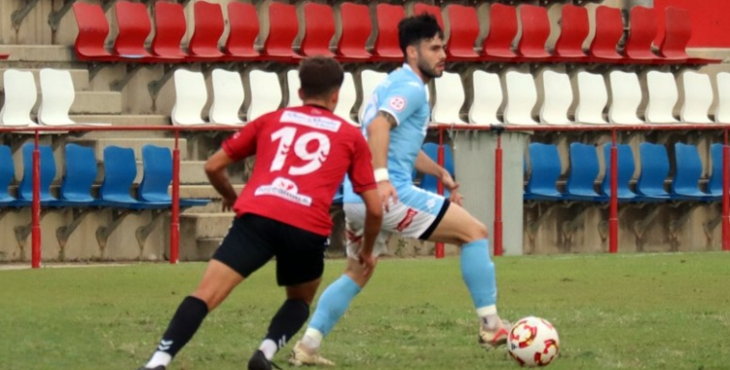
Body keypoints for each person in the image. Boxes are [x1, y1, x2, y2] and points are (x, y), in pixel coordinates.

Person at [289, 14, 511, 367]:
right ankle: (491, 326)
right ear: (411, 51)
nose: (443, 55)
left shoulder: (389, 85)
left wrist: (439, 172)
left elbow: (399, 143)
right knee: (476, 234)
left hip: (356, 198)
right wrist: (382, 177)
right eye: (434, 48)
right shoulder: (411, 88)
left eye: (443, 47)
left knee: (357, 271)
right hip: (389, 194)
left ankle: (307, 347)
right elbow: (379, 127)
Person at [136, 56, 383, 370]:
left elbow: (213, 166)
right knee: (299, 300)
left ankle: (158, 361)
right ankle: (264, 353)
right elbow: (374, 208)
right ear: (336, 95)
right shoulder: (351, 137)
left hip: (258, 216)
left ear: (299, 90)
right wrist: (367, 250)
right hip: (306, 227)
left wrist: (231, 197)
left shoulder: (271, 120)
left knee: (206, 294)